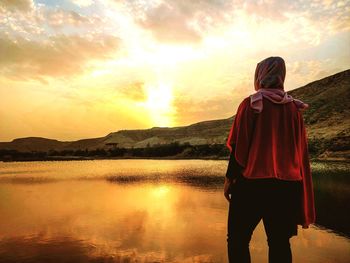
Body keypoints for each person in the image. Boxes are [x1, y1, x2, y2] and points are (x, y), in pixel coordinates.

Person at [224, 56, 316, 263]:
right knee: (279, 242)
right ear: (281, 76)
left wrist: (230, 179)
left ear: (260, 75)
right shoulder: (294, 109)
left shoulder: (250, 104)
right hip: (286, 187)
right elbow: (298, 153)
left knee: (238, 240)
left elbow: (239, 147)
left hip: (251, 185)